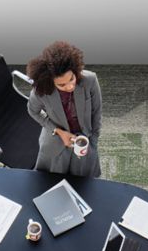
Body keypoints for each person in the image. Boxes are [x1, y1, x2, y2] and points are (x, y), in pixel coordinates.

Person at [25, 40, 102, 176]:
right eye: (62, 85)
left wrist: (93, 143)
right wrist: (58, 131)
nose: (70, 86)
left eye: (71, 79)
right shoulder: (41, 91)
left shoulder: (90, 80)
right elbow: (33, 111)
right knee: (49, 180)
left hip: (84, 138)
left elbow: (96, 113)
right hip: (54, 141)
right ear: (50, 82)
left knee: (84, 182)